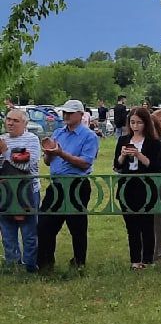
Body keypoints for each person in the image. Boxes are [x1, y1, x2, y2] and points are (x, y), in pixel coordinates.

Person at [37, 100, 99, 271]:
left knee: (77, 225)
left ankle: (79, 262)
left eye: (70, 113)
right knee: (44, 224)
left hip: (76, 184)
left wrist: (61, 153)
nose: (66, 116)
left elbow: (85, 163)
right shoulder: (58, 132)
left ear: (80, 114)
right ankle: (45, 263)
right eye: (65, 112)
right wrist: (49, 154)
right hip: (57, 184)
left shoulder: (89, 136)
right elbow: (48, 162)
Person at [114, 104, 161, 268]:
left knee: (147, 224)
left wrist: (138, 154)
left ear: (146, 124)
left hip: (146, 186)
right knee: (131, 225)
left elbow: (155, 165)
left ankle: (148, 260)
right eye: (132, 123)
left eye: (139, 123)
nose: (135, 127)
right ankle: (135, 260)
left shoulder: (153, 143)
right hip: (127, 186)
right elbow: (116, 166)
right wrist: (122, 156)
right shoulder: (123, 140)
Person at [0, 105, 41, 272]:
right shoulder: (2, 138)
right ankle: (12, 265)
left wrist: (5, 152)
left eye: (15, 121)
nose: (10, 123)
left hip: (27, 191)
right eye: (8, 119)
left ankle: (30, 266)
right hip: (5, 192)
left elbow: (25, 164)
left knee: (29, 232)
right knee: (7, 231)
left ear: (24, 124)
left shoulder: (32, 139)